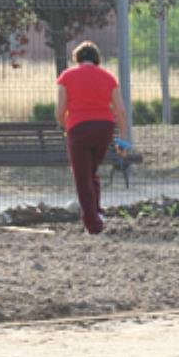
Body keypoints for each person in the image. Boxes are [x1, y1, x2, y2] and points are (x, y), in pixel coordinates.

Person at [55, 40, 130, 236]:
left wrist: (65, 127)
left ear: (77, 59)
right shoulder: (109, 78)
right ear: (97, 59)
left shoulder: (67, 76)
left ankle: (93, 225)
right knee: (91, 172)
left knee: (81, 177)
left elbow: (60, 110)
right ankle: (97, 211)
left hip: (79, 128)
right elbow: (120, 111)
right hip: (104, 128)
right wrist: (123, 141)